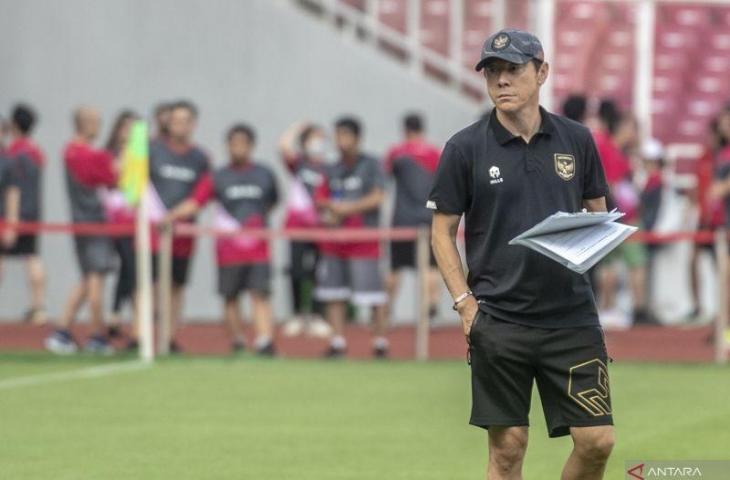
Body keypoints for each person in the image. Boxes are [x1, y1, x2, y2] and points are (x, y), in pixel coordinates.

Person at [428, 29, 614, 479]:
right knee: (508, 450)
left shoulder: (578, 140)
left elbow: (599, 214)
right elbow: (441, 232)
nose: (501, 81)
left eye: (513, 69)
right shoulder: (465, 147)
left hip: (571, 317)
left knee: (597, 442)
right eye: (493, 71)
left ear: (542, 72)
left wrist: (588, 239)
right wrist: (464, 304)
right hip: (499, 318)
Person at [165, 124, 278, 355]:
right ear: (227, 146)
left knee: (260, 294)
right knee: (230, 297)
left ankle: (264, 341)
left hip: (259, 249)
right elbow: (196, 202)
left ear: (251, 146)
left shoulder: (264, 174)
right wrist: (171, 217)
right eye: (233, 143)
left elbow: (273, 202)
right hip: (228, 250)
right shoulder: (218, 176)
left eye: (242, 143)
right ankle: (237, 341)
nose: (237, 148)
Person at [314, 116, 389, 358]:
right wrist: (329, 212)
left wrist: (346, 209)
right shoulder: (331, 168)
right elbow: (321, 199)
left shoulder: (372, 164)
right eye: (337, 136)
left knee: (374, 295)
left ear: (357, 138)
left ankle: (379, 343)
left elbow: (378, 196)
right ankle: (337, 342)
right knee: (333, 294)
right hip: (334, 242)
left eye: (345, 135)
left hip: (364, 242)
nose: (340, 141)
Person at [45, 107, 118, 354]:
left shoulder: (71, 152)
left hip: (84, 224)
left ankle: (61, 331)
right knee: (96, 281)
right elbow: (113, 178)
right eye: (96, 122)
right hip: (94, 224)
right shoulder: (84, 154)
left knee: (87, 280)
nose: (99, 127)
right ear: (84, 124)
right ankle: (97, 336)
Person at [143, 100, 210, 352]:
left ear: (193, 124)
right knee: (149, 283)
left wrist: (173, 217)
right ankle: (143, 336)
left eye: (185, 120)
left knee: (175, 286)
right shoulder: (152, 150)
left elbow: (201, 196)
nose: (179, 125)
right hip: (152, 232)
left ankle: (168, 338)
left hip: (182, 234)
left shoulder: (200, 158)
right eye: (175, 120)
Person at [383, 113, 441, 320]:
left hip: (402, 219)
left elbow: (385, 177)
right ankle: (431, 306)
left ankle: (386, 309)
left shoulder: (397, 153)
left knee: (395, 266)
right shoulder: (434, 153)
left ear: (405, 129)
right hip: (428, 217)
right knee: (431, 266)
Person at [278, 121, 331, 338]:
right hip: (297, 228)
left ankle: (318, 316)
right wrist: (299, 127)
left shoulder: (329, 168)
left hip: (321, 228)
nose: (318, 142)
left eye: (321, 138)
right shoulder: (299, 164)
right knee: (296, 272)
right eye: (313, 138)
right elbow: (283, 146)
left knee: (319, 272)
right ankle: (298, 315)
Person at [2, 104, 47, 324]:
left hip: (14, 214)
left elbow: (13, 189)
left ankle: (37, 307)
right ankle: (38, 307)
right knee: (32, 258)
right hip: (33, 212)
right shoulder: (36, 151)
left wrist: (12, 220)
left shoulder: (14, 154)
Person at [103, 110, 138, 338]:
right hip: (113, 220)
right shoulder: (110, 155)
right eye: (125, 128)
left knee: (129, 268)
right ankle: (116, 313)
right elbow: (113, 178)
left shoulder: (141, 157)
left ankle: (118, 314)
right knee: (127, 267)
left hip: (134, 221)